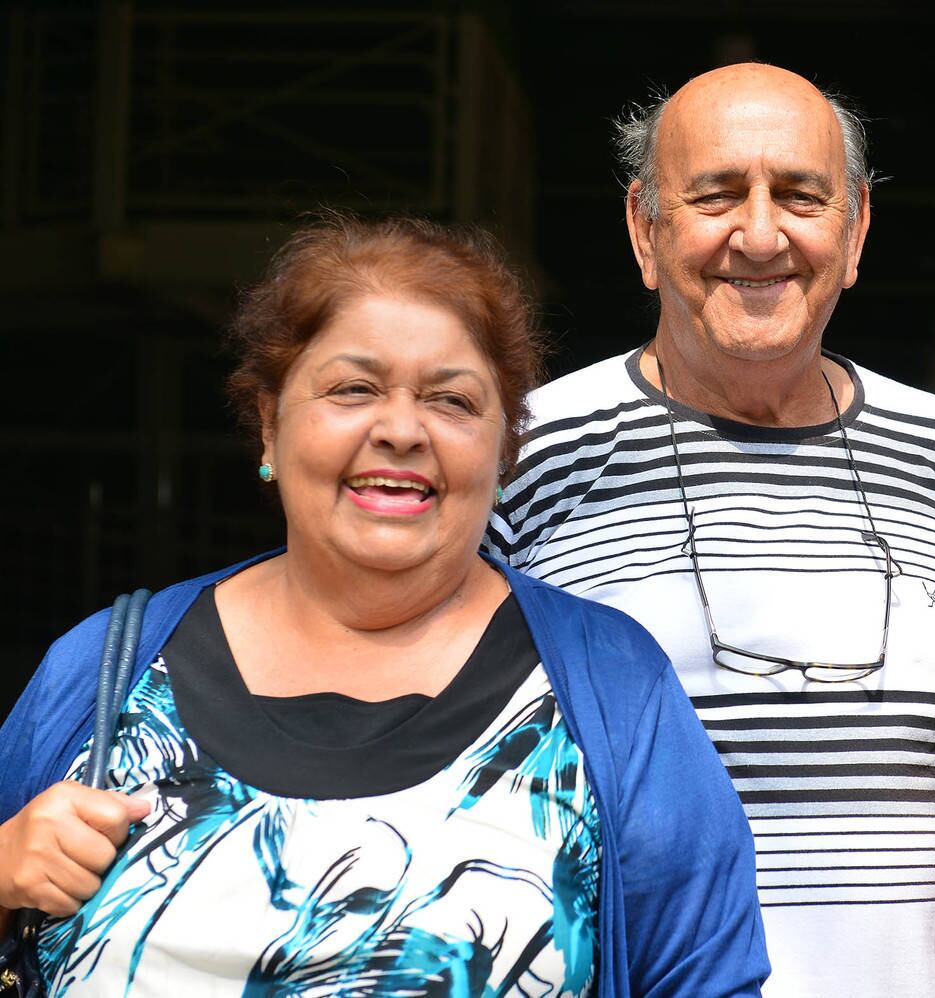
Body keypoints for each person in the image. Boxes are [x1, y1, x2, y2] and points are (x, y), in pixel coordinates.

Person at [0, 214, 769, 997]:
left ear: (504, 452)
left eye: (453, 401)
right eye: (353, 389)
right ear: (269, 425)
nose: (401, 429)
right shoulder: (102, 671)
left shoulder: (610, 686)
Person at [487, 63, 935, 997]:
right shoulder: (532, 454)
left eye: (800, 197)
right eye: (717, 195)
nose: (761, 235)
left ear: (855, 233)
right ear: (645, 231)